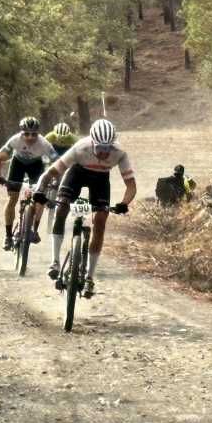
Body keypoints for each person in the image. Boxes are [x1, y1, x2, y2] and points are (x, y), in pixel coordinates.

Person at [32, 118, 135, 298]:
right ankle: (55, 261)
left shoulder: (119, 152)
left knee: (101, 220)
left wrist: (124, 204)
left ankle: (89, 276)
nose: (104, 152)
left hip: (101, 179)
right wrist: (40, 191)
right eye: (100, 148)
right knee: (62, 207)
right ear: (92, 142)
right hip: (77, 173)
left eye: (107, 148)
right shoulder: (80, 148)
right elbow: (51, 173)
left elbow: (131, 186)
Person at [0, 116, 55, 250]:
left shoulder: (44, 144)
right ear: (21, 132)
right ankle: (8, 236)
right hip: (18, 164)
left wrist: (55, 179)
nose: (30, 137)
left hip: (36, 166)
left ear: (38, 133)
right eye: (26, 134)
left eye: (34, 134)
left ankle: (34, 230)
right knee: (12, 199)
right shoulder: (15, 140)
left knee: (40, 199)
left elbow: (57, 161)